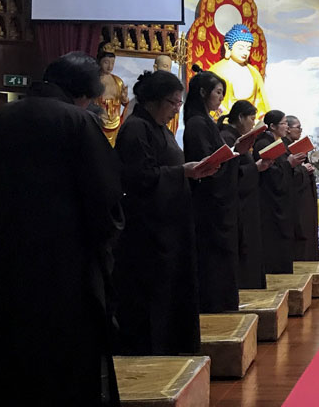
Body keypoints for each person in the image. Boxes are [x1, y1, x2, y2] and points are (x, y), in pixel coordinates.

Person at [0, 52, 124, 407]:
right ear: (82, 92)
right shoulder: (77, 123)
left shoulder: (8, 118)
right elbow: (104, 193)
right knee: (67, 348)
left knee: (16, 345)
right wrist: (106, 242)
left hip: (16, 254)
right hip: (67, 259)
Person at [114, 71, 205, 355]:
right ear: (153, 100)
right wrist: (183, 172)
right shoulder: (136, 128)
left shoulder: (160, 128)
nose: (176, 109)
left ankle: (172, 345)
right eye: (172, 103)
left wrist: (192, 171)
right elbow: (140, 177)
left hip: (170, 223)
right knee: (152, 294)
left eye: (180, 103)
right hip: (148, 228)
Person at [183, 71, 240, 312]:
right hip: (208, 201)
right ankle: (214, 303)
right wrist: (227, 159)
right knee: (212, 255)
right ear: (203, 92)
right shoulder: (197, 122)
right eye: (218, 92)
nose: (220, 98)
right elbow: (203, 162)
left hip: (217, 200)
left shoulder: (205, 120)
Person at [220, 100, 271, 288]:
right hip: (237, 203)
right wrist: (255, 168)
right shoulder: (227, 136)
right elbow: (227, 171)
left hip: (248, 200)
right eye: (251, 118)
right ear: (240, 117)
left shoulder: (237, 137)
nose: (252, 123)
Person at [254, 110, 309, 275]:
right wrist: (289, 164)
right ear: (272, 126)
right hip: (270, 202)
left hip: (281, 201)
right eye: (284, 123)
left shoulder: (276, 142)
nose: (286, 127)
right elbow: (271, 175)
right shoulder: (263, 144)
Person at [286, 115, 319, 261]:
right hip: (296, 199)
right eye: (298, 127)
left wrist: (307, 168)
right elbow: (287, 172)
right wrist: (303, 169)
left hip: (305, 195)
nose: (300, 130)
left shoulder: (294, 146)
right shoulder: (283, 147)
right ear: (287, 129)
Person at [94, 44, 129, 146]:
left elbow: (125, 103)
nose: (110, 66)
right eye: (106, 62)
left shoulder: (118, 81)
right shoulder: (94, 81)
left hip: (116, 123)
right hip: (100, 122)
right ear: (99, 61)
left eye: (112, 63)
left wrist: (124, 98)